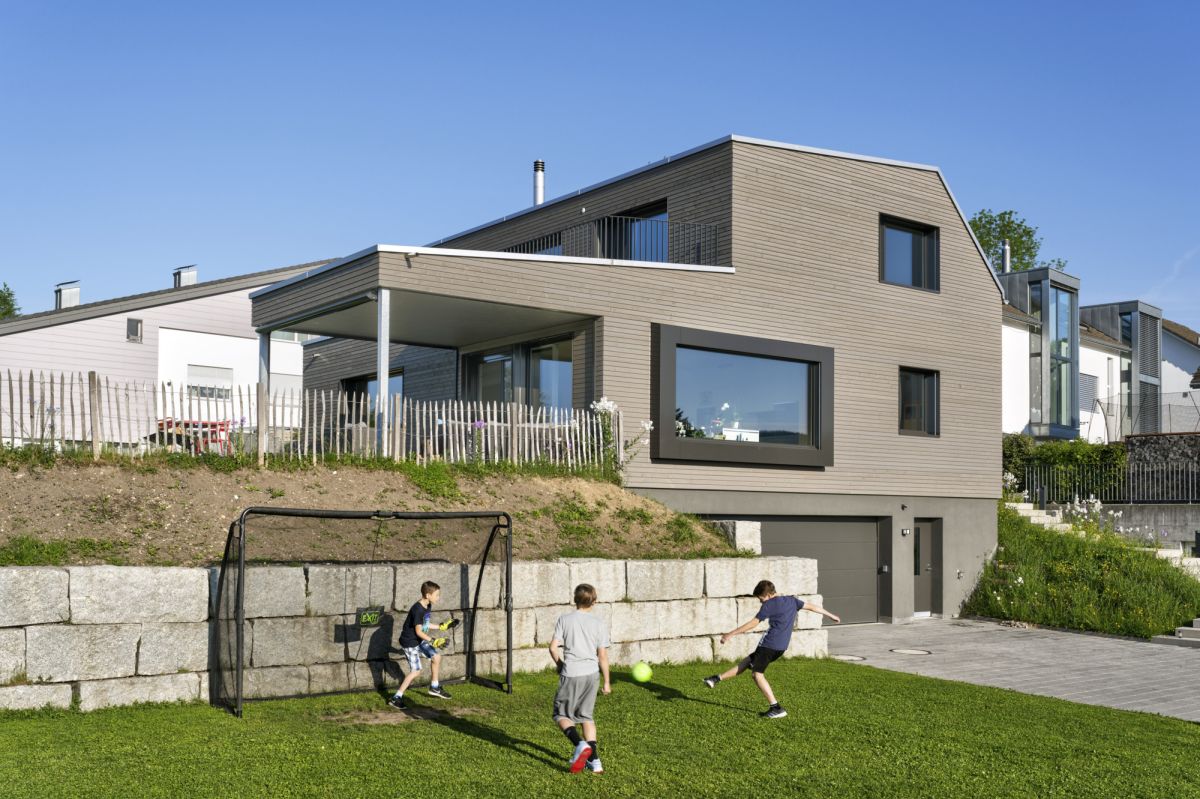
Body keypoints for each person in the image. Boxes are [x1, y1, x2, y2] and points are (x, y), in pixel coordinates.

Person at [703, 579, 840, 719]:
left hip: (769, 644)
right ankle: (716, 679)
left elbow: (752, 624)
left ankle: (776, 708)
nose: (761, 601)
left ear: (768, 595)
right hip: (781, 647)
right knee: (749, 661)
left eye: (760, 598)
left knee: (757, 674)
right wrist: (831, 615)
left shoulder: (768, 605)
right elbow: (812, 607)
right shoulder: (792, 601)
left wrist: (730, 634)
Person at [549, 583, 612, 774]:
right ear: (594, 601)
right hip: (591, 675)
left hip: (572, 674)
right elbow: (602, 656)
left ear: (574, 599)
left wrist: (560, 665)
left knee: (560, 715)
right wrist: (607, 682)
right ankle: (595, 761)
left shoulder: (564, 619)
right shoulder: (599, 623)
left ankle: (580, 744)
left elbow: (553, 648)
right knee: (586, 716)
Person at [388, 580, 451, 708]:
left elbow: (424, 626)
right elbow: (418, 631)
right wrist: (433, 641)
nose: (438, 597)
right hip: (410, 642)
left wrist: (441, 626)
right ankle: (396, 698)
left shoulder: (427, 605)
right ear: (428, 595)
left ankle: (434, 687)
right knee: (416, 671)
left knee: (436, 657)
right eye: (437, 595)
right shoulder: (418, 610)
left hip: (419, 640)